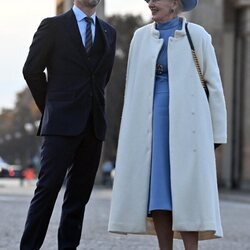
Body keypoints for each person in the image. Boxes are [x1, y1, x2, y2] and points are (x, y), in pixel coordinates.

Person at [108, 0, 227, 249]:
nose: (151, 3)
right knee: (159, 195)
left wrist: (217, 135)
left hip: (190, 128)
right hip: (151, 126)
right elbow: (132, 88)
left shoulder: (198, 35)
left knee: (187, 194)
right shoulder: (140, 37)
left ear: (174, 3)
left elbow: (214, 86)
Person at [20, 0, 116, 249]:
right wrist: (52, 107)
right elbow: (31, 70)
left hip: (93, 126)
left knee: (78, 199)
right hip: (60, 124)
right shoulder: (52, 27)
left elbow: (102, 78)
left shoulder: (109, 32)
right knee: (47, 190)